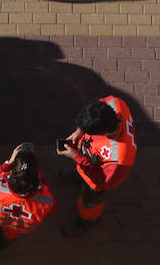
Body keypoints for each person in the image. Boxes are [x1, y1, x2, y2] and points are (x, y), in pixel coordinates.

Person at [56, 96, 137, 236]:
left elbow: (102, 180)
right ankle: (80, 176)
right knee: (83, 173)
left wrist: (76, 156)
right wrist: (80, 130)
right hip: (88, 163)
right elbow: (98, 105)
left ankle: (87, 222)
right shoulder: (114, 103)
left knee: (89, 204)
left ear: (103, 133)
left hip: (94, 182)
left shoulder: (119, 159)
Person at [0, 143, 57, 250]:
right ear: (37, 180)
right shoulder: (45, 199)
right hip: (17, 226)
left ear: (13, 175)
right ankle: (0, 245)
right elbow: (52, 209)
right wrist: (40, 177)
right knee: (10, 234)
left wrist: (8, 163)